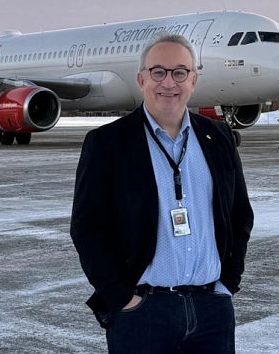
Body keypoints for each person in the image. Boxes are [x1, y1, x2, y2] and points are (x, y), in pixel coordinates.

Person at [70, 33, 254, 353]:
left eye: (180, 72)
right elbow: (87, 229)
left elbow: (240, 214)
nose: (169, 82)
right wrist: (122, 298)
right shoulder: (107, 144)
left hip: (211, 310)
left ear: (193, 80)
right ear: (142, 79)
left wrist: (228, 284)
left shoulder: (219, 136)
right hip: (143, 311)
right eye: (159, 71)